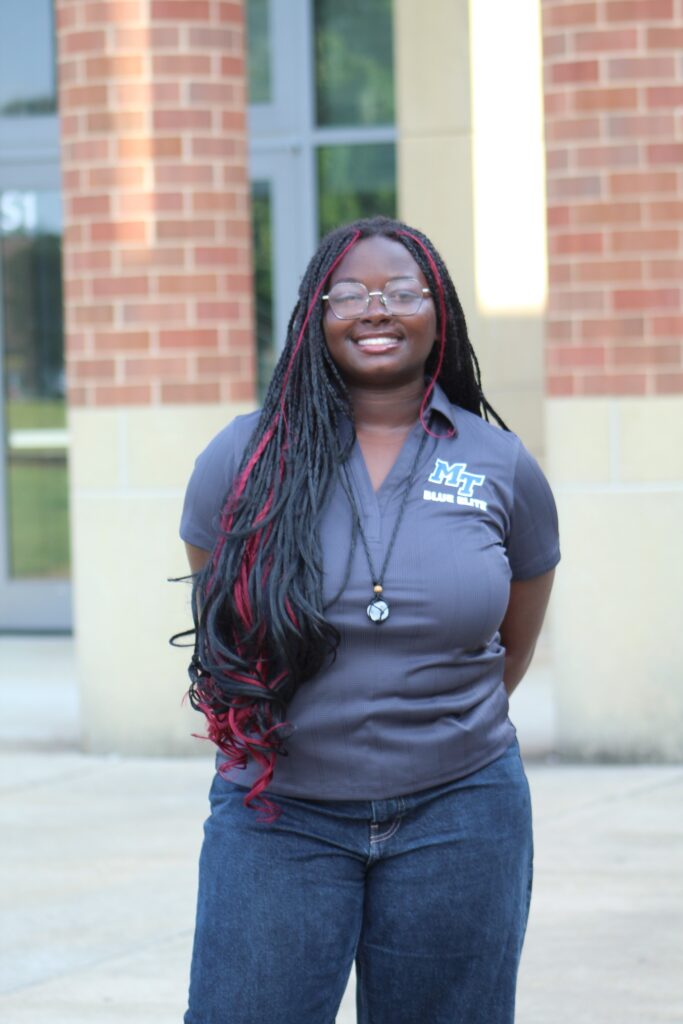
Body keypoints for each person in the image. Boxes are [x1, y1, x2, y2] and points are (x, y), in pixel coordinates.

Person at [178, 215, 560, 1024]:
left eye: (401, 292)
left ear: (439, 312)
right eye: (346, 293)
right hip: (279, 811)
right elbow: (219, 612)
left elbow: (511, 636)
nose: (375, 309)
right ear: (314, 317)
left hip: (460, 811)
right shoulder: (242, 459)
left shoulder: (498, 463)